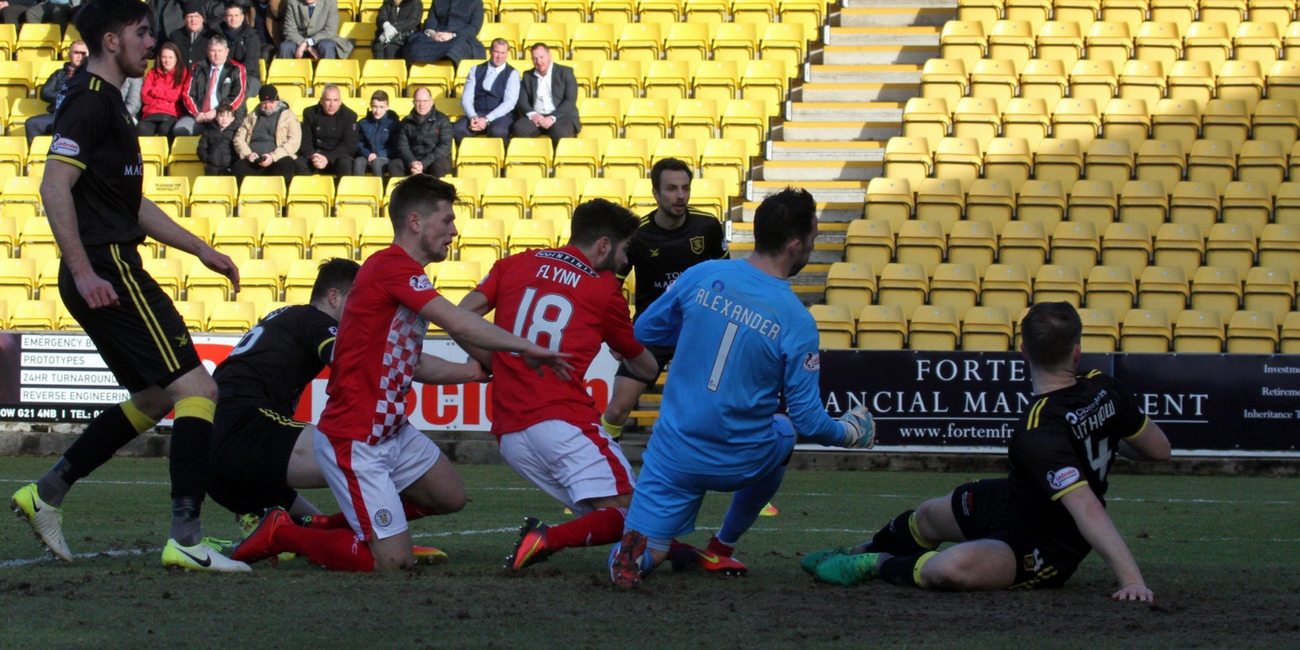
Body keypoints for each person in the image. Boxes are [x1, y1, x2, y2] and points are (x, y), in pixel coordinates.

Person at [10, 0, 248, 573]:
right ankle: (186, 536)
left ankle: (46, 492)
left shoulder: (107, 104)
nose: (151, 42)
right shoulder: (91, 104)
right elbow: (52, 188)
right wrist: (87, 270)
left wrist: (201, 249)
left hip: (102, 264)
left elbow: (129, 202)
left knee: (153, 397)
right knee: (199, 392)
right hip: (108, 267)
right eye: (143, 33)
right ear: (112, 41)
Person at [232, 175, 572, 572]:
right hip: (356, 438)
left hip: (391, 429)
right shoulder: (390, 266)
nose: (454, 231)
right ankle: (281, 533)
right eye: (446, 220)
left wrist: (471, 372)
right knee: (393, 563)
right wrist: (527, 346)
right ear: (415, 222)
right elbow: (457, 322)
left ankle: (335, 527)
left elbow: (413, 360)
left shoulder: (399, 273)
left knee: (449, 496)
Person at [803, 302, 1173, 601]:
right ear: (1077, 351)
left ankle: (874, 564)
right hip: (1016, 500)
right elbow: (1159, 450)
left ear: (1023, 350)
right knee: (930, 514)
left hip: (1048, 542)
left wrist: (1132, 580)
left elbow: (1087, 507)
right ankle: (854, 552)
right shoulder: (1104, 388)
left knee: (949, 570)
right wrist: (1103, 437)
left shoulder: (1039, 430)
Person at [608, 188, 877, 588]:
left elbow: (642, 334)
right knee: (784, 430)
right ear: (794, 245)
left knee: (652, 547)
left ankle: (636, 557)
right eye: (813, 240)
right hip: (739, 459)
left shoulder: (702, 275)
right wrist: (851, 433)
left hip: (674, 453)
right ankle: (724, 543)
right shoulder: (797, 320)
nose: (811, 248)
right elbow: (808, 418)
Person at [207, 257, 479, 566]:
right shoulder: (314, 320)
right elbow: (352, 359)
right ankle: (383, 542)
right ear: (334, 297)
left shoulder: (288, 317)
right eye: (357, 300)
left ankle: (298, 531)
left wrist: (467, 371)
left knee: (319, 523)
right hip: (244, 431)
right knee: (368, 454)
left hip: (223, 455)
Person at [453, 199, 657, 572]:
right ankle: (547, 539)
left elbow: (458, 317)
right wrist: (655, 362)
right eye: (626, 249)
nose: (627, 261)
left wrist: (490, 359)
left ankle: (683, 555)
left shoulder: (513, 263)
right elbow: (640, 360)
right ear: (604, 245)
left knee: (608, 515)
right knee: (635, 511)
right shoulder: (603, 286)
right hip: (562, 420)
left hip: (510, 435)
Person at [601, 157, 728, 442]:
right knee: (618, 410)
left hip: (698, 332)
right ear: (655, 193)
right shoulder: (637, 235)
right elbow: (612, 287)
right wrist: (616, 334)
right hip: (652, 331)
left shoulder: (707, 227)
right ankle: (598, 462)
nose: (680, 195)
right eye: (671, 189)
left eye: (685, 188)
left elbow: (727, 280)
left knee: (705, 413)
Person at [175, 34, 247, 136]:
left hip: (226, 116)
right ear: (208, 52)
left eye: (220, 51)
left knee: (220, 134)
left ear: (227, 51)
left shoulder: (236, 69)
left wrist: (218, 112)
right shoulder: (197, 67)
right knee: (180, 129)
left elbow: (238, 95)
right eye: (213, 51)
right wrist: (197, 113)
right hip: (199, 115)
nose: (216, 54)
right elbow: (187, 93)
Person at [511, 43, 581, 145]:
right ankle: (532, 159)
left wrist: (552, 117)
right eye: (535, 58)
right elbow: (522, 101)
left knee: (559, 131)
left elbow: (570, 100)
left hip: (561, 116)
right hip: (536, 117)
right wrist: (533, 114)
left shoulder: (565, 72)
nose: (539, 62)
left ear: (549, 56)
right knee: (519, 128)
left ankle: (557, 159)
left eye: (541, 57)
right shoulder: (528, 76)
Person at [453, 38, 517, 146]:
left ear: (507, 53)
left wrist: (487, 120)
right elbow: (467, 97)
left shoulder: (512, 73)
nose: (499, 56)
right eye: (496, 52)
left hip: (502, 115)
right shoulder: (475, 70)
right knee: (457, 129)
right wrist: (472, 116)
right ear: (490, 51)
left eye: (503, 53)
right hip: (478, 112)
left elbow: (509, 103)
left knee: (498, 131)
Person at [232, 84, 299, 184]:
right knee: (239, 167)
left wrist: (273, 156)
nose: (267, 106)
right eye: (264, 103)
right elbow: (239, 138)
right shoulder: (252, 116)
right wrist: (248, 154)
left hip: (278, 158)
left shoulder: (288, 116)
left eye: (271, 102)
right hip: (254, 159)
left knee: (286, 165)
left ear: (277, 100)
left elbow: (294, 141)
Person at [23, 39, 86, 145]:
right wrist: (66, 95)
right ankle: (38, 156)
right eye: (76, 52)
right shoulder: (59, 74)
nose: (79, 56)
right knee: (32, 123)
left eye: (83, 53)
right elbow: (45, 93)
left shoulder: (91, 74)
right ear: (69, 54)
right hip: (57, 115)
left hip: (79, 115)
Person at [296, 84, 358, 177]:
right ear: (321, 101)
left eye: (335, 100)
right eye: (328, 100)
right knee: (299, 163)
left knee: (345, 163)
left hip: (336, 156)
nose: (332, 104)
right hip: (316, 156)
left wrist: (327, 158)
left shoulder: (349, 115)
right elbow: (305, 141)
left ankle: (342, 190)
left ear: (340, 101)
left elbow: (348, 145)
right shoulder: (310, 113)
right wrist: (313, 156)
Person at [390, 86, 451, 178]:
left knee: (438, 165)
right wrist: (412, 162)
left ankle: (436, 192)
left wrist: (424, 163)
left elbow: (445, 147)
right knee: (394, 164)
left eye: (425, 101)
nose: (421, 104)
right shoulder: (406, 122)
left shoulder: (442, 120)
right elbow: (402, 146)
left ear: (431, 102)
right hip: (413, 160)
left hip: (434, 159)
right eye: (418, 101)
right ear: (413, 102)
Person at [402, 0, 482, 67]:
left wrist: (452, 35)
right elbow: (430, 21)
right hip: (437, 36)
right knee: (414, 43)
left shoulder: (475, 2)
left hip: (461, 37)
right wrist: (433, 34)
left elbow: (474, 27)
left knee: (455, 47)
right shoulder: (438, 1)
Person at [138, 41, 191, 136]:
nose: (167, 61)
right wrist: (166, 97)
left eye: (170, 57)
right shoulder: (152, 73)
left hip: (172, 113)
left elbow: (177, 96)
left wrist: (155, 90)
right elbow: (145, 97)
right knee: (142, 129)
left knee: (165, 129)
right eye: (164, 57)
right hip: (152, 113)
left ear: (176, 59)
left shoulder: (183, 73)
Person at [278, 0, 351, 60]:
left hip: (321, 38)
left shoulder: (330, 2)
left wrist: (307, 43)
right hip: (299, 39)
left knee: (327, 45)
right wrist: (305, 45)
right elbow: (289, 30)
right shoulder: (293, 2)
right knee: (285, 46)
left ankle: (328, 74)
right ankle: (286, 76)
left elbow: (330, 30)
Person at [353, 89, 401, 177]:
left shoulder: (393, 123)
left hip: (386, 157)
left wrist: (378, 155)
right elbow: (359, 143)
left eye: (381, 107)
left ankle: (380, 188)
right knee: (358, 162)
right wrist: (368, 154)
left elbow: (395, 146)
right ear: (370, 105)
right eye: (375, 106)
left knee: (377, 163)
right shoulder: (363, 123)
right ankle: (358, 189)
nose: (377, 111)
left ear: (387, 107)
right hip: (367, 155)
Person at [219, 1, 262, 97]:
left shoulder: (251, 36)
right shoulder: (218, 36)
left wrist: (233, 74)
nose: (233, 19)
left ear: (242, 17)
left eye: (236, 15)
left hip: (248, 76)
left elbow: (251, 64)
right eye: (230, 16)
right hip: (223, 75)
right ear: (225, 18)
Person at [168, 0, 212, 68]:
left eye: (196, 16)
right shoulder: (176, 36)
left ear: (202, 18)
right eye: (189, 17)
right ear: (184, 19)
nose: (193, 20)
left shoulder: (211, 36)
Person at [198, 103, 239, 174]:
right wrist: (208, 158)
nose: (224, 119)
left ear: (232, 119)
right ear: (216, 117)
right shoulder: (208, 131)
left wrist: (233, 161)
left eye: (228, 116)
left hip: (230, 168)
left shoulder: (236, 132)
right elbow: (201, 149)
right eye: (221, 116)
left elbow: (239, 149)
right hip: (212, 167)